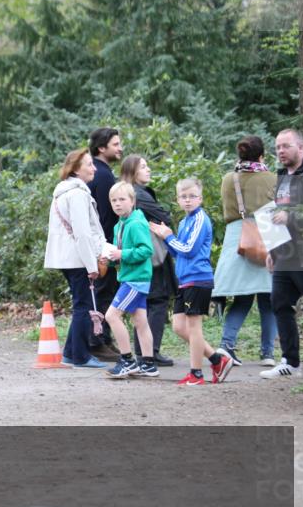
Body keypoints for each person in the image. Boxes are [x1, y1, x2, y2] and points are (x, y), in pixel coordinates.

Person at [150, 178, 233, 385]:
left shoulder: (199, 220)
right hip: (184, 280)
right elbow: (179, 251)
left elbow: (188, 250)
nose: (188, 201)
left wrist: (168, 237)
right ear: (177, 199)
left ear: (200, 198)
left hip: (198, 279)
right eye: (183, 197)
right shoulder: (185, 221)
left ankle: (196, 374)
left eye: (192, 196)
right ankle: (217, 359)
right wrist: (165, 237)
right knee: (179, 327)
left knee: (194, 327)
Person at [211, 136, 278, 368]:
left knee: (242, 297)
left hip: (237, 238)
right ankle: (268, 352)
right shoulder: (272, 178)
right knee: (269, 298)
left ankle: (227, 344)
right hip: (266, 236)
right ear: (262, 155)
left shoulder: (229, 179)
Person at [44, 148, 108, 369]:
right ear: (76, 169)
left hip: (65, 258)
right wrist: (92, 264)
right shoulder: (78, 194)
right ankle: (80, 355)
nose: (94, 168)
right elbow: (82, 234)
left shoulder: (62, 193)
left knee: (80, 303)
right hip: (78, 259)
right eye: (89, 164)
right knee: (83, 306)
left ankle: (71, 352)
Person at [264, 128, 303, 379]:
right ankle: (290, 362)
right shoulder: (282, 176)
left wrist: (291, 216)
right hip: (285, 253)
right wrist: (271, 250)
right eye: (277, 148)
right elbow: (276, 215)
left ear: (301, 148)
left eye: (286, 146)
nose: (281, 151)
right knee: (280, 304)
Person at [119, 154, 176, 367]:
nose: (148, 169)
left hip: (140, 253)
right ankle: (149, 351)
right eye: (143, 167)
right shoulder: (138, 194)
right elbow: (165, 217)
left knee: (145, 302)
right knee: (157, 301)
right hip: (152, 256)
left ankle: (143, 351)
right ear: (133, 171)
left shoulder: (127, 193)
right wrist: (163, 219)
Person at [102, 182, 157, 378]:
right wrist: (108, 260)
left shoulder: (136, 223)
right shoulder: (120, 225)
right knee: (140, 321)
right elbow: (120, 256)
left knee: (111, 316)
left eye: (122, 199)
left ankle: (127, 360)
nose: (117, 204)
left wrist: (121, 253)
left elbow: (146, 250)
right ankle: (149, 364)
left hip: (136, 280)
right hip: (129, 277)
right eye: (113, 200)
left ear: (132, 201)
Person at [87, 127, 124, 359]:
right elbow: (104, 215)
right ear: (102, 148)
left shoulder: (100, 172)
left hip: (101, 243)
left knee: (105, 291)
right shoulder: (102, 174)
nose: (120, 148)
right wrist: (109, 246)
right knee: (103, 292)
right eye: (115, 144)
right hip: (104, 244)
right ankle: (97, 341)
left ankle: (104, 340)